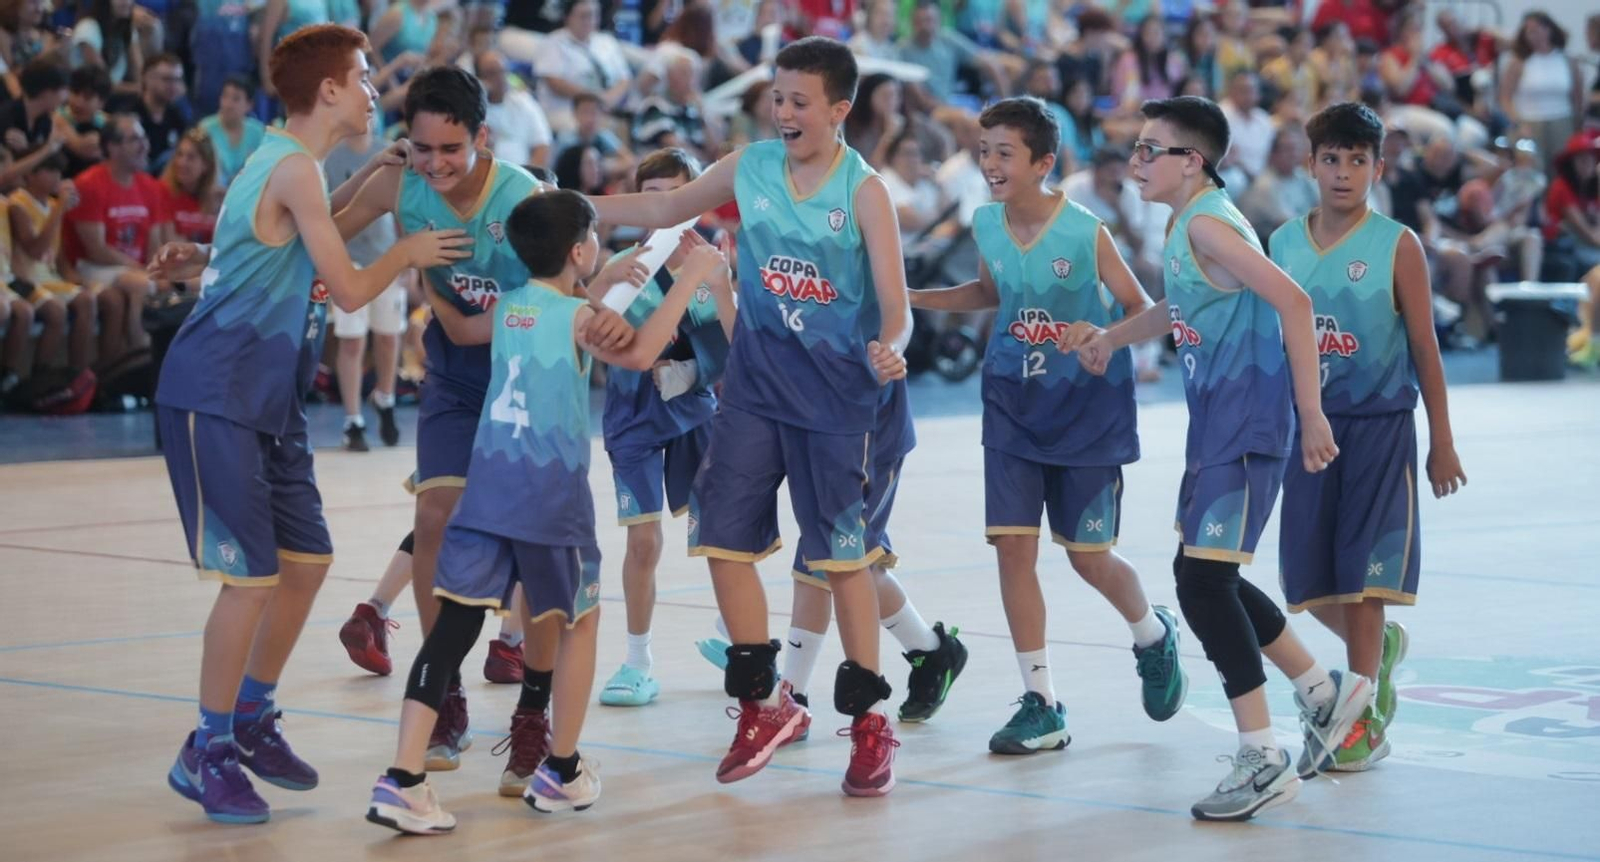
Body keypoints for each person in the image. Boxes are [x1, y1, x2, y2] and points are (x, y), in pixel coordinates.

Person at [145, 23, 469, 825]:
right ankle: (208, 747)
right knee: (251, 577)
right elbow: (354, 288)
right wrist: (412, 251)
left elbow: (302, 232)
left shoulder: (293, 163)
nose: (371, 88)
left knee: (308, 561)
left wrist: (371, 172)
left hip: (268, 401)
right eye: (361, 77)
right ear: (329, 90)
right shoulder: (289, 166)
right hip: (216, 394)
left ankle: (252, 714)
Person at [586, 37, 911, 797]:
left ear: (839, 109)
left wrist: (890, 348)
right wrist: (568, 205)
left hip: (836, 400)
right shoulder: (751, 165)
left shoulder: (864, 193)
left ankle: (869, 723)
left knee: (841, 559)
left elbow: (896, 310)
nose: (785, 111)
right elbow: (667, 207)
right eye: (778, 97)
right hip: (757, 388)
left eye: (801, 101)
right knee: (722, 539)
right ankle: (765, 703)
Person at [364, 191, 730, 834]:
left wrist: (429, 278)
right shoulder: (579, 319)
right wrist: (692, 279)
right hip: (548, 497)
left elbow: (465, 328)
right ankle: (560, 769)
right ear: (581, 250)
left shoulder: (510, 307)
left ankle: (402, 779)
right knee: (578, 621)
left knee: (451, 630)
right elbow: (643, 353)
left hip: (486, 490)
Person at [1060, 95, 1371, 822]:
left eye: (1148, 150)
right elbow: (1183, 306)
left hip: (1247, 425)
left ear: (1189, 161)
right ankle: (1326, 694)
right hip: (1223, 428)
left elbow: (1294, 303)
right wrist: (1114, 335)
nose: (1135, 161)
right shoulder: (1189, 221)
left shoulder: (1205, 219)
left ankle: (1261, 754)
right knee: (1206, 576)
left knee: (1201, 585)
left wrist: (1313, 412)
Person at [329, 64, 635, 781]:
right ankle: (449, 697)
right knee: (434, 515)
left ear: (483, 138)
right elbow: (314, 232)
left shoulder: (525, 196)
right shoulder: (399, 182)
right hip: (459, 380)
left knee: (536, 554)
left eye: (450, 150)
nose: (433, 164)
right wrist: (209, 264)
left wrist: (629, 318)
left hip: (525, 381)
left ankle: (533, 711)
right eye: (422, 148)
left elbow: (576, 289)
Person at [910, 96, 1185, 754]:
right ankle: (1043, 700)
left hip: (1086, 410)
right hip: (1011, 402)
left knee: (1089, 558)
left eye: (1005, 152)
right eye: (984, 151)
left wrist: (1107, 337)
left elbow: (1140, 306)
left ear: (1043, 162)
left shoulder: (1084, 229)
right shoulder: (985, 223)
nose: (990, 163)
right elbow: (989, 292)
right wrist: (911, 296)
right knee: (1012, 548)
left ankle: (1152, 633)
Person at [1269, 101, 1466, 776]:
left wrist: (1442, 440)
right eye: (1332, 159)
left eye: (1358, 161)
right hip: (1309, 430)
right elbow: (1269, 344)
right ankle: (1376, 654)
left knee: (1364, 584)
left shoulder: (1398, 244)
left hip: (1381, 430)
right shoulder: (1283, 244)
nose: (1344, 172)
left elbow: (1424, 347)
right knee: (1305, 580)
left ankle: (1361, 723)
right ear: (1310, 163)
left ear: (1379, 169)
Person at [594, 148, 733, 707]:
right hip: (633, 422)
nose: (663, 212)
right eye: (650, 201)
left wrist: (694, 369)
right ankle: (636, 661)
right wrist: (599, 284)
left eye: (673, 200)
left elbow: (735, 347)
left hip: (696, 415)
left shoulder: (711, 266)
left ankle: (735, 638)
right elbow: (595, 334)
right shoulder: (623, 267)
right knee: (644, 541)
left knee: (721, 532)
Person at [322, 116, 404, 451]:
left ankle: (385, 397)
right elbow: (324, 210)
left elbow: (404, 207)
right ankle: (352, 419)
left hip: (386, 257)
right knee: (352, 340)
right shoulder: (332, 156)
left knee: (388, 337)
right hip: (347, 258)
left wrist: (409, 261)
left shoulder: (388, 150)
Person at [62, 113, 164, 359]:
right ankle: (141, 352)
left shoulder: (149, 186)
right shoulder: (89, 184)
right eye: (135, 140)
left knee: (154, 287)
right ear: (112, 147)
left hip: (126, 269)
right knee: (142, 284)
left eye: (144, 138)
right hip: (89, 265)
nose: (144, 146)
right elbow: (96, 249)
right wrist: (141, 270)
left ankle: (118, 368)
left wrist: (156, 269)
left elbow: (154, 244)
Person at [7, 147, 95, 371]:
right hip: (26, 278)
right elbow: (35, 250)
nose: (58, 176)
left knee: (88, 299)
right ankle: (38, 373)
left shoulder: (54, 204)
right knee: (56, 311)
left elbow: (58, 255)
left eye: (59, 170)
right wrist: (59, 210)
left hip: (50, 277)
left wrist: (74, 277)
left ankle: (77, 374)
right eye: (50, 170)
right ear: (30, 174)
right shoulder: (18, 203)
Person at [1501, 11, 1583, 174]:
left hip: (1562, 121)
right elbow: (1505, 98)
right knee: (1533, 170)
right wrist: (1518, 123)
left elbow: (1578, 96)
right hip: (1530, 122)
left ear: (1549, 30)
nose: (1533, 36)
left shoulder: (1567, 60)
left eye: (1537, 30)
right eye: (1529, 32)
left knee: (1561, 170)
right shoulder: (1519, 62)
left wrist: (1578, 123)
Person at [112, 51, 190, 172]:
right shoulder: (128, 117)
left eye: (177, 79)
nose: (173, 86)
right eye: (167, 79)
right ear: (147, 78)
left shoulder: (177, 115)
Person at [476, 49, 552, 169]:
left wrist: (530, 179)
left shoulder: (524, 102)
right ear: (479, 78)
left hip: (526, 175)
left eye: (502, 71)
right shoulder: (473, 109)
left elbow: (542, 145)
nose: (499, 78)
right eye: (491, 73)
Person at [200, 76, 266, 187]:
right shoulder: (205, 129)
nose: (228, 104)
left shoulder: (258, 132)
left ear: (249, 105)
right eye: (225, 96)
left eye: (236, 99)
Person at [160, 129, 220, 245]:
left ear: (206, 165)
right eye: (180, 154)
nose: (181, 162)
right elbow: (171, 244)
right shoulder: (163, 192)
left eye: (191, 157)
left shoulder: (219, 199)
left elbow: (223, 246)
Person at [3, 59, 68, 156]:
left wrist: (28, 148)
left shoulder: (45, 121)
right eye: (63, 89)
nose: (66, 95)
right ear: (46, 91)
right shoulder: (5, 116)